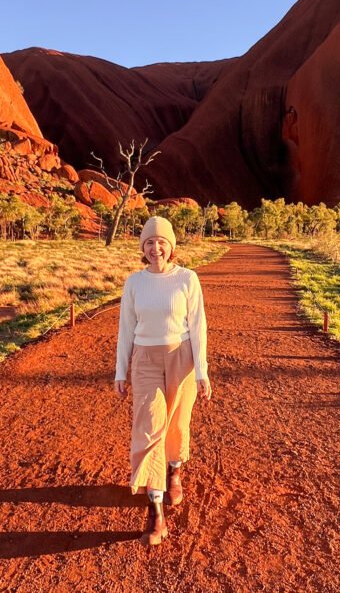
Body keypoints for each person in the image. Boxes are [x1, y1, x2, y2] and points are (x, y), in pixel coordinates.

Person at [114, 215, 212, 546]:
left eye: (162, 242)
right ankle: (155, 509)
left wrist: (202, 370)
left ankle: (174, 470)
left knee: (178, 425)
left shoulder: (187, 278)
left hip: (181, 357)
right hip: (145, 359)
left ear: (171, 247)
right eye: (149, 243)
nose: (156, 248)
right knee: (149, 427)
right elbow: (126, 328)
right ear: (143, 248)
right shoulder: (134, 283)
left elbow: (198, 325)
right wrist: (119, 370)